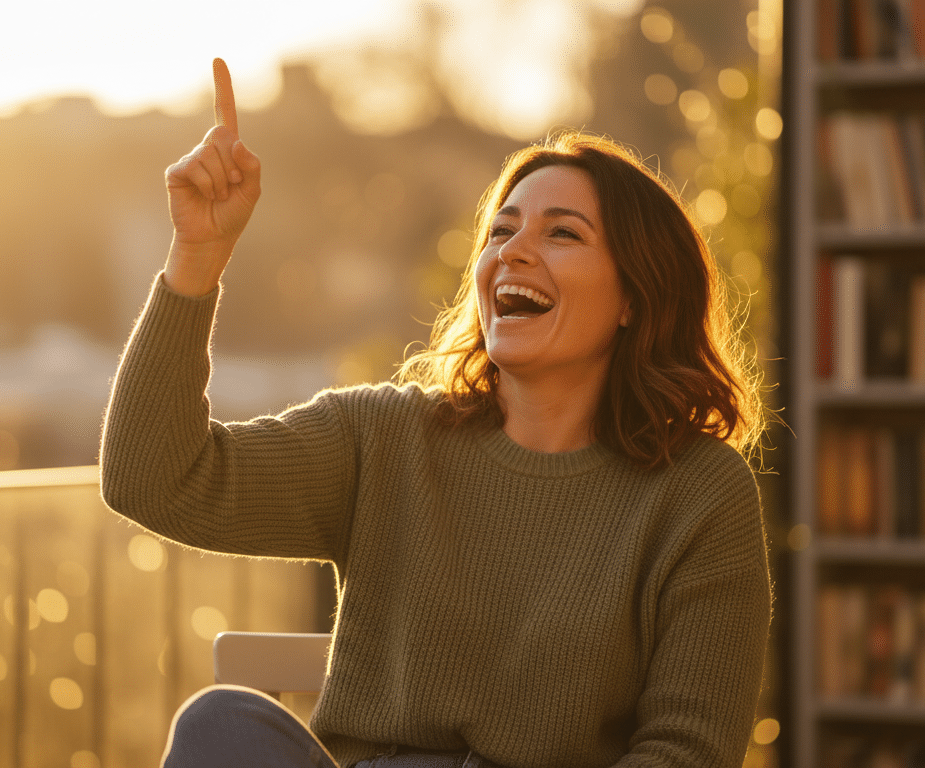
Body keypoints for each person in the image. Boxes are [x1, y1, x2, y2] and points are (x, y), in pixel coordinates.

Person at [100, 58, 772, 768]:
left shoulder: (699, 492)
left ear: (637, 296)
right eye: (501, 232)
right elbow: (155, 478)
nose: (514, 252)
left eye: (562, 234)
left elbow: (686, 753)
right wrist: (197, 257)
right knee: (222, 724)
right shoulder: (382, 438)